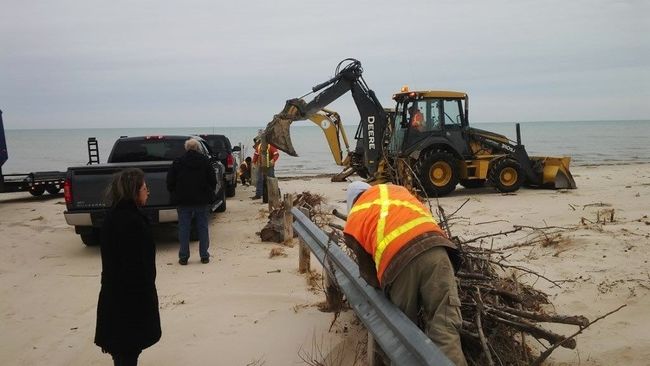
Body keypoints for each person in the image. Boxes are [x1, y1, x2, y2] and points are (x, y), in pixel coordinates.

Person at [343, 182, 467, 366]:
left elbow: (370, 275)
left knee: (402, 337)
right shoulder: (397, 190)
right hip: (437, 249)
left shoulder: (354, 218)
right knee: (445, 326)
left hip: (398, 264)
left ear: (352, 203)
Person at [95, 168, 161, 366]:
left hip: (118, 296)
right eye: (144, 187)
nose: (147, 191)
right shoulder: (130, 221)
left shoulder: (116, 216)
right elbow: (134, 265)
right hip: (129, 299)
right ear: (133, 190)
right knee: (127, 351)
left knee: (126, 351)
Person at [166, 138, 217, 265]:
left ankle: (184, 257)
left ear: (186, 148)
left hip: (183, 201)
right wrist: (209, 191)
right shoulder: (205, 161)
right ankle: (204, 255)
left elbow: (170, 181)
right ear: (197, 148)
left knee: (183, 228)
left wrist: (174, 192)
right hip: (201, 200)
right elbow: (212, 179)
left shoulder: (178, 162)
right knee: (203, 228)